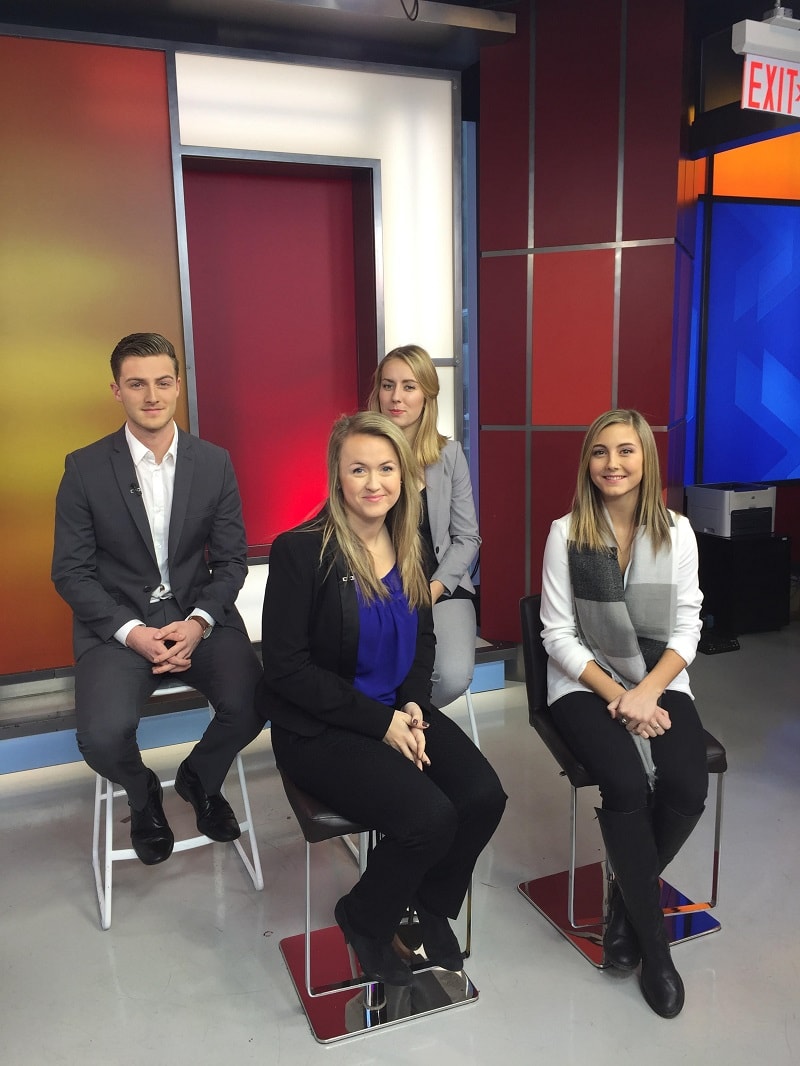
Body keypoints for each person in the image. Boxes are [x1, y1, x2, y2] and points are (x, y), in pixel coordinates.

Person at [259, 411, 506, 985]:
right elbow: (286, 669)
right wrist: (382, 723)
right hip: (322, 728)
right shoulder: (300, 551)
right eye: (359, 470)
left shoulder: (410, 539)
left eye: (387, 468)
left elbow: (422, 637)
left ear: (404, 475)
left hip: (398, 710)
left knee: (482, 798)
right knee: (429, 818)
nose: (375, 483)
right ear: (336, 477)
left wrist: (416, 703)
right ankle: (365, 917)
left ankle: (426, 903)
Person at [52, 333, 264, 866]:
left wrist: (198, 622)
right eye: (137, 384)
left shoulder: (213, 463)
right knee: (101, 738)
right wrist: (131, 632)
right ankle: (143, 794)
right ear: (116, 390)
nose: (152, 395)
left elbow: (232, 559)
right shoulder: (83, 468)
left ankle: (200, 777)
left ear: (178, 386)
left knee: (256, 702)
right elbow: (71, 572)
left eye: (163, 382)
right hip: (119, 628)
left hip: (198, 618)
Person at [539, 409, 708, 1019]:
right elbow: (557, 636)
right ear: (587, 462)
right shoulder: (567, 533)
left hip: (660, 681)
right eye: (600, 452)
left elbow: (688, 630)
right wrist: (619, 696)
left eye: (626, 451)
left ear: (645, 460)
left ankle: (624, 895)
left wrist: (648, 691)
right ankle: (655, 949)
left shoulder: (679, 533)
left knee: (688, 787)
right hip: (583, 685)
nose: (613, 464)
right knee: (627, 783)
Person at [367, 345, 480, 709]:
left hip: (439, 586)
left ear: (427, 394)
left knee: (451, 675)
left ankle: (402, 723)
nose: (396, 397)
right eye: (388, 385)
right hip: (378, 587)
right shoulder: (359, 450)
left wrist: (432, 590)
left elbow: (467, 538)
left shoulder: (450, 455)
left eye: (408, 386)